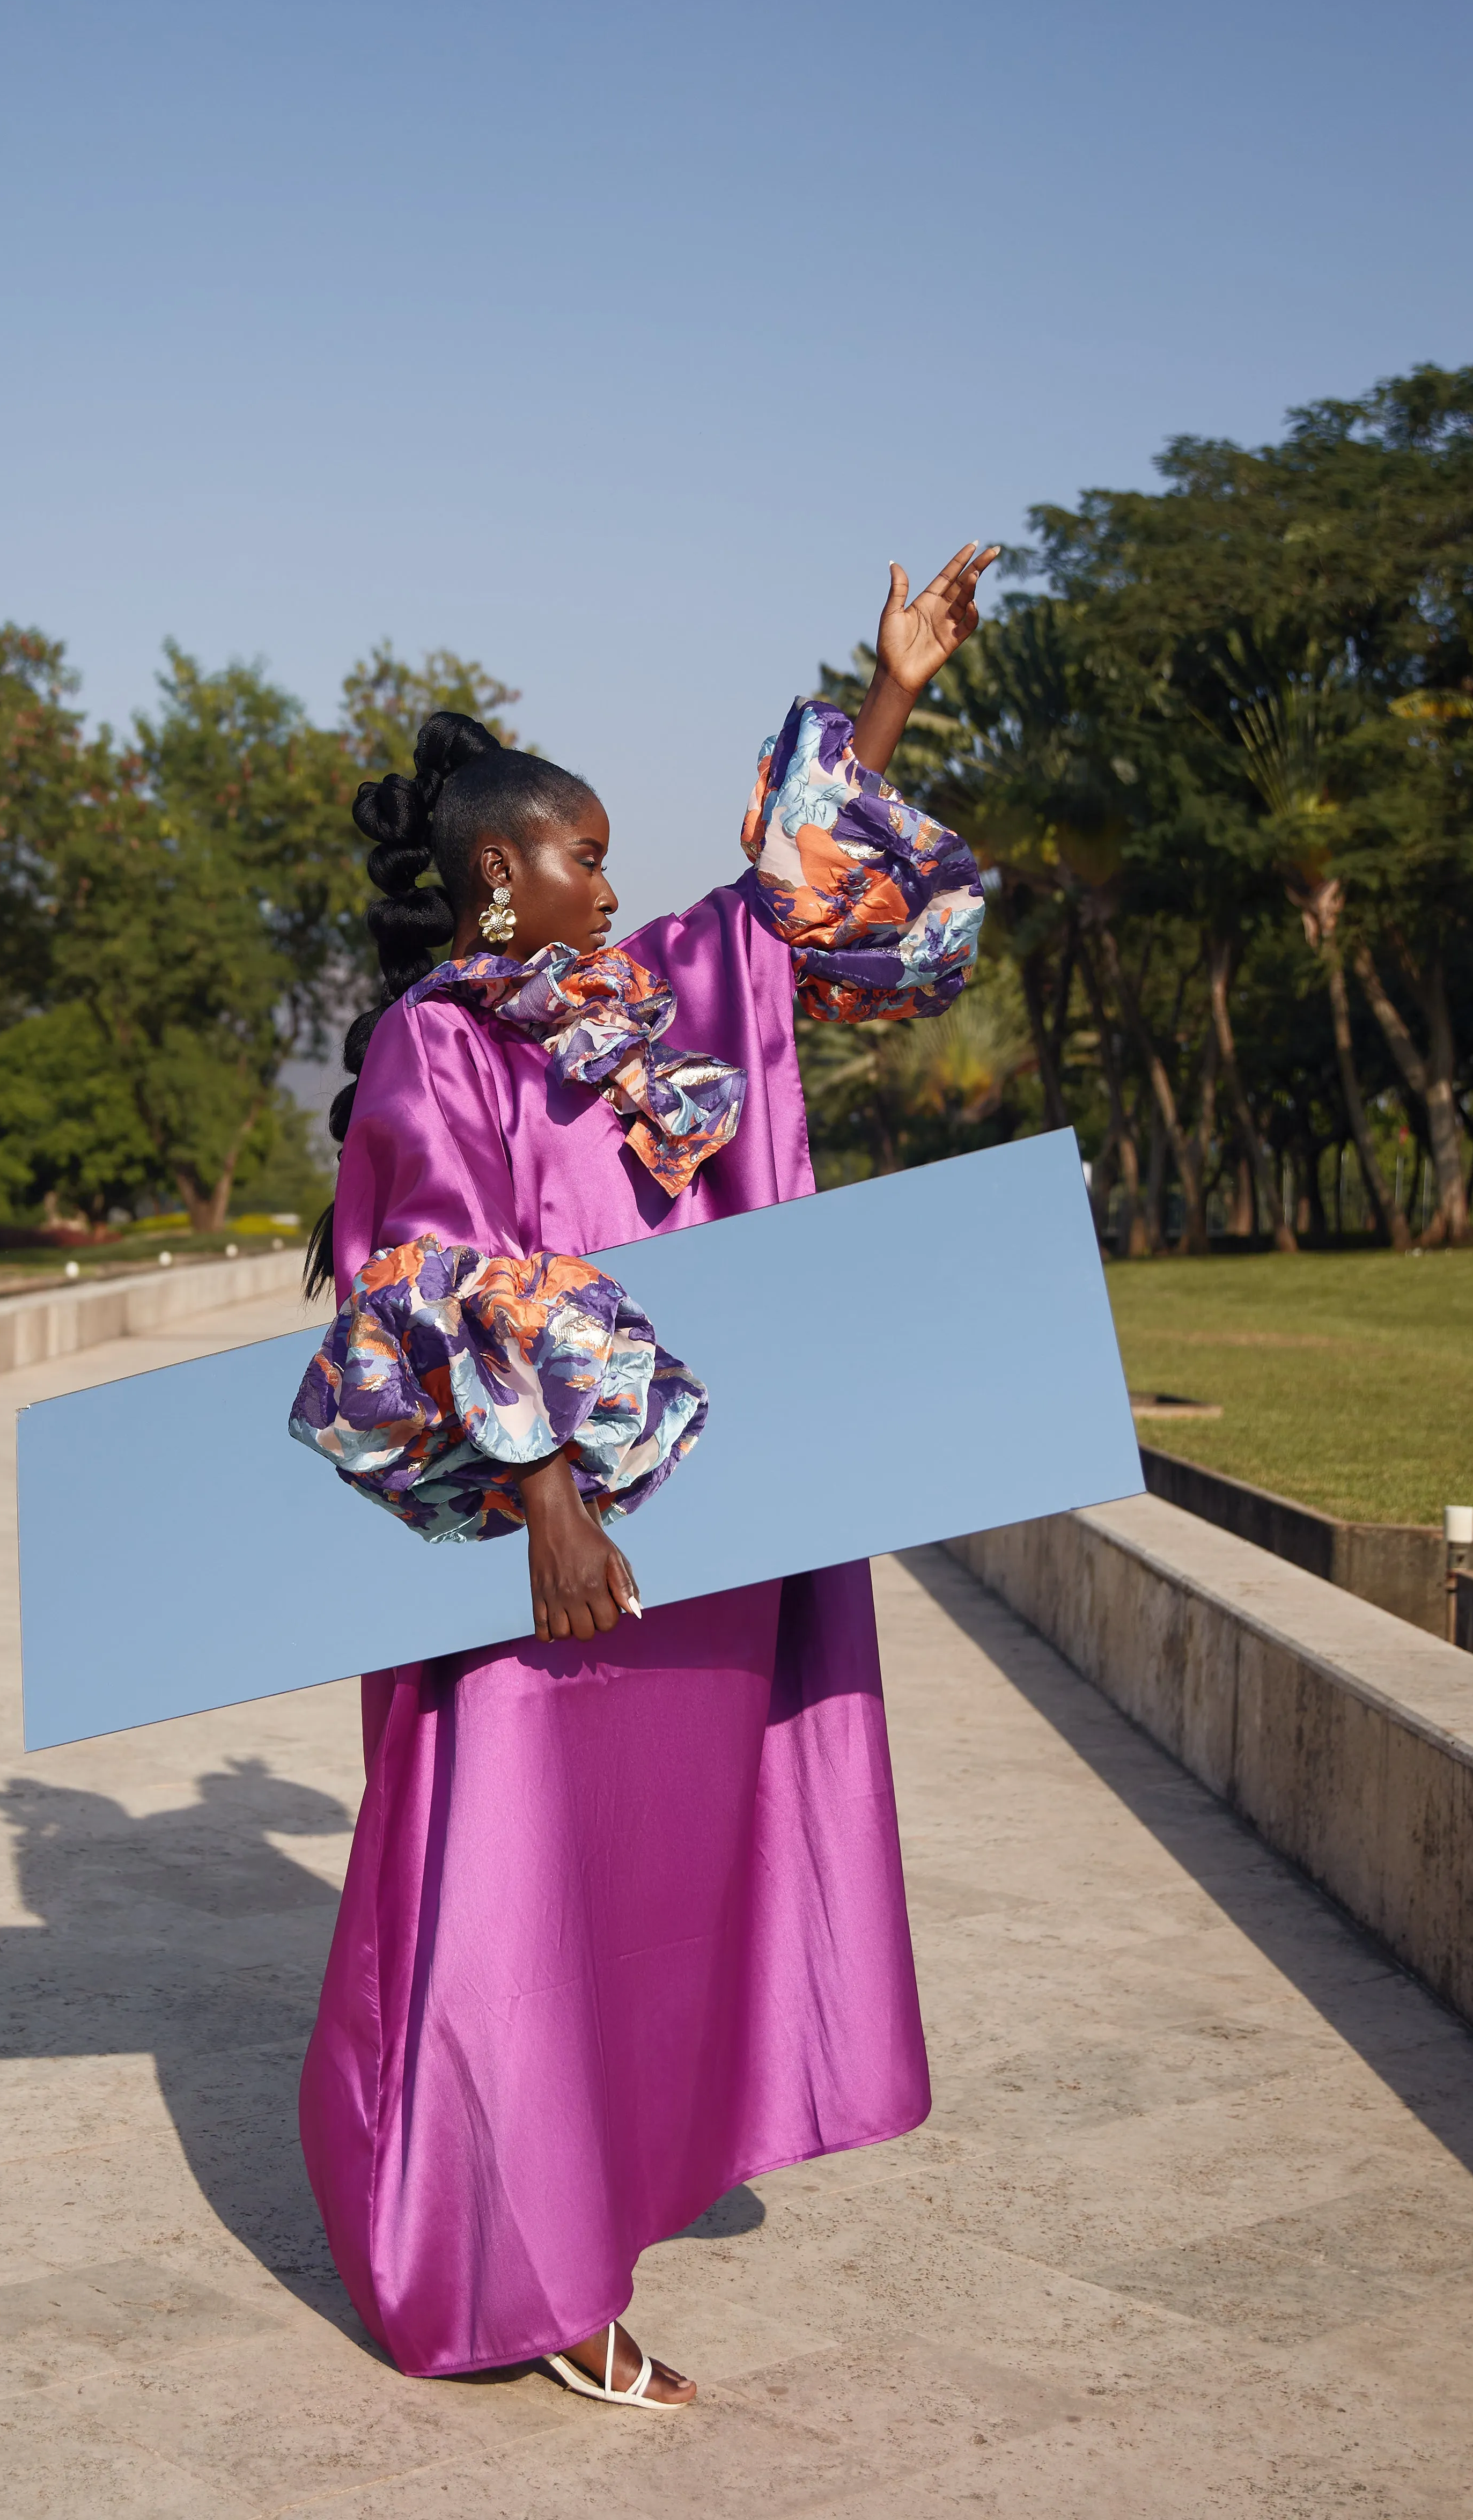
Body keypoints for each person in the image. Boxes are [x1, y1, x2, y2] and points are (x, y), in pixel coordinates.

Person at [288, 546, 997, 2408]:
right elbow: (428, 1279)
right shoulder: (430, 1047)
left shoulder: (632, 1009)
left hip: (694, 1549)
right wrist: (546, 1507)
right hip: (550, 1550)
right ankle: (522, 2284)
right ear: (502, 872)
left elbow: (779, 925)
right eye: (585, 853)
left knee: (650, 1888)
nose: (613, 879)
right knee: (509, 1897)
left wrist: (894, 690)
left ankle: (609, 2202)